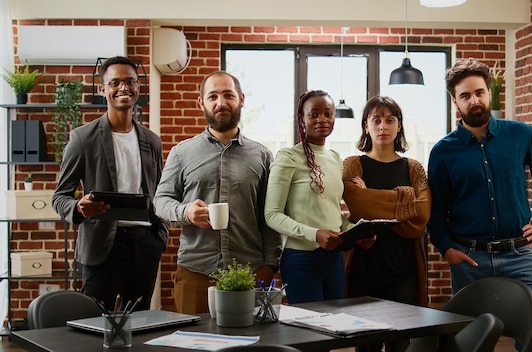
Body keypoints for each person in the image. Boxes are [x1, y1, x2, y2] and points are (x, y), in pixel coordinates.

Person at [428, 58, 532, 352]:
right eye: (465, 96)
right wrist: (446, 248)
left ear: (490, 94)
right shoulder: (443, 152)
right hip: (469, 260)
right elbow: (436, 210)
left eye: (479, 92)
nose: (474, 101)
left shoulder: (522, 135)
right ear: (455, 102)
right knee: (468, 343)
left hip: (519, 258)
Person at [154, 71, 281, 314]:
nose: (220, 103)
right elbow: (160, 201)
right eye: (212, 96)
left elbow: (270, 216)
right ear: (201, 102)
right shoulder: (182, 153)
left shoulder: (262, 156)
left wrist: (270, 266)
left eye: (228, 95)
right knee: (193, 345)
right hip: (196, 271)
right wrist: (185, 212)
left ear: (241, 99)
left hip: (251, 271)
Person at [52, 56, 168, 311]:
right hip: (101, 245)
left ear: (138, 87)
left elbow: (160, 194)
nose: (123, 88)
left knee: (139, 322)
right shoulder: (83, 139)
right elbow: (60, 196)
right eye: (115, 82)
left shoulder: (152, 141)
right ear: (102, 89)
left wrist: (159, 237)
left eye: (130, 82)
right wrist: (79, 208)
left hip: (144, 242)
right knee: (93, 323)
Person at [342, 95, 431, 352]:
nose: (383, 126)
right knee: (366, 347)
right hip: (364, 269)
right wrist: (406, 199)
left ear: (399, 125)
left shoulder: (414, 168)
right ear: (366, 126)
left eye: (390, 120)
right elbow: (359, 206)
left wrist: (370, 196)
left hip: (403, 272)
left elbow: (421, 217)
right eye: (376, 120)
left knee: (400, 345)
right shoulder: (353, 165)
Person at [264, 90, 364, 304]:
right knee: (309, 329)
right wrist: (314, 234)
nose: (322, 119)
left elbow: (332, 215)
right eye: (314, 114)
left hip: (334, 259)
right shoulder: (288, 157)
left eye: (328, 114)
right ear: (302, 119)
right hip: (301, 261)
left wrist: (354, 233)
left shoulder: (335, 158)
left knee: (336, 326)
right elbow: (271, 215)